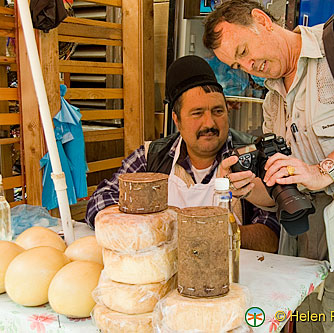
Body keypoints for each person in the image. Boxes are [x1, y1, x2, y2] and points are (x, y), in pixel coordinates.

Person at [203, 1, 334, 332]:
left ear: (261, 20)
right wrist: (251, 189)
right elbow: (282, 193)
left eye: (245, 50)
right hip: (302, 268)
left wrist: (323, 170)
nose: (249, 66)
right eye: (238, 64)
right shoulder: (273, 101)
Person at [85, 55, 279, 253]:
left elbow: (271, 237)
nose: (210, 123)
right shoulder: (151, 157)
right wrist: (147, 227)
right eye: (197, 113)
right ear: (176, 120)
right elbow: (99, 201)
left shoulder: (250, 156)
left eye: (218, 111)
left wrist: (225, 234)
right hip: (163, 269)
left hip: (235, 275)